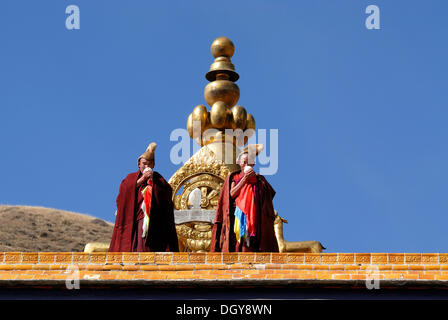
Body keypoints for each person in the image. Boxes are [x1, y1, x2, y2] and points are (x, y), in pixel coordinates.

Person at [109, 142, 179, 252]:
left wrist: (153, 185)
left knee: (148, 247)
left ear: (153, 165)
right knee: (135, 245)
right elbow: (124, 192)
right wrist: (142, 180)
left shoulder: (159, 181)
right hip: (135, 219)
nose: (146, 166)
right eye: (144, 164)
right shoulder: (131, 178)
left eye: (149, 164)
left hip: (153, 222)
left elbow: (166, 198)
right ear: (139, 164)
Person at [210, 144, 279, 252]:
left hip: (255, 214)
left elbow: (268, 197)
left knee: (253, 237)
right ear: (239, 163)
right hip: (239, 212)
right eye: (244, 162)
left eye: (249, 162)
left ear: (253, 163)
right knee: (240, 237)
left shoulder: (260, 180)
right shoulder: (234, 177)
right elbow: (231, 193)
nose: (246, 164)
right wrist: (245, 179)